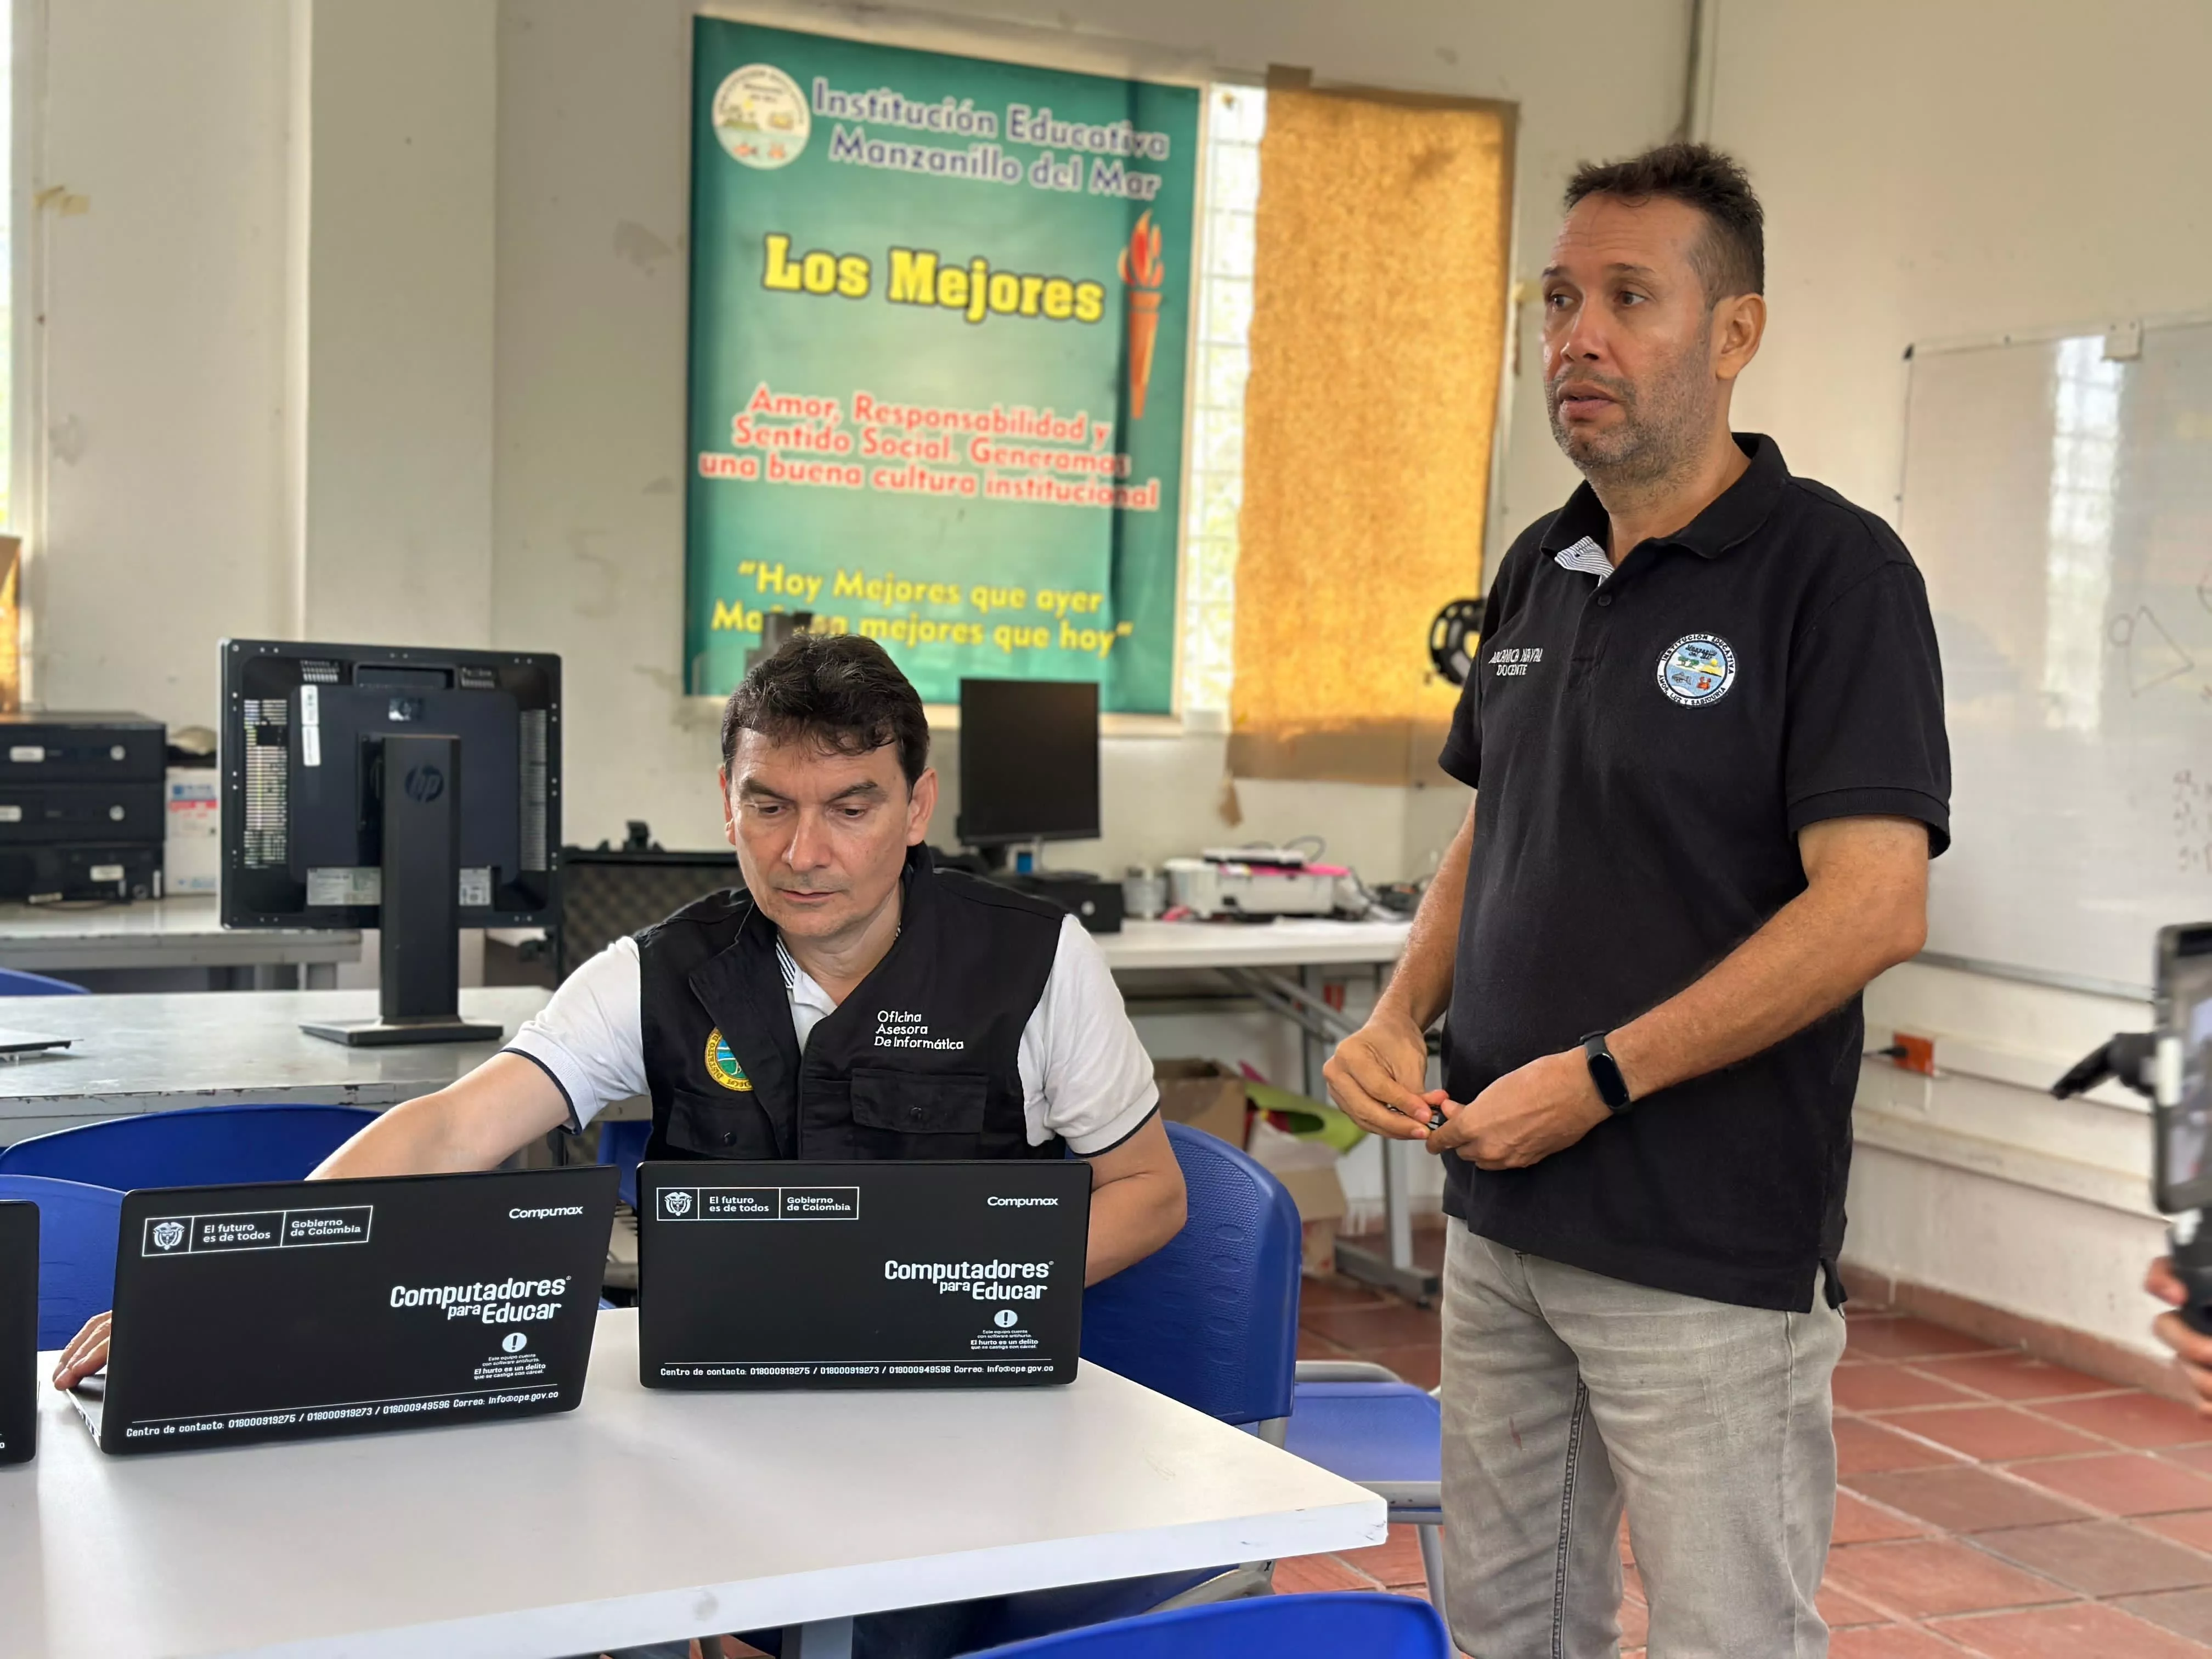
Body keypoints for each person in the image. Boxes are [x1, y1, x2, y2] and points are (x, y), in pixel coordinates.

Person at [52, 634, 1184, 1657]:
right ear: (727, 803)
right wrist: (229, 1294)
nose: (804, 852)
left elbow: (1149, 1192)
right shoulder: (661, 970)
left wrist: (939, 1297)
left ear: (917, 805)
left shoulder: (1035, 961)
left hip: (950, 1432)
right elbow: (456, 1125)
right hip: (709, 1424)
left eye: (851, 808)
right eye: (770, 806)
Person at [1325, 143, 1950, 1659]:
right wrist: (1402, 1014)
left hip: (1702, 1246)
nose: (1577, 339)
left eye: (1627, 298)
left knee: (1727, 1635)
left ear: (1734, 333)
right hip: (1501, 1210)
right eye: (1557, 300)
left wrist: (1599, 1080)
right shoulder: (1541, 562)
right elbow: (1498, 821)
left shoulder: (1836, 575)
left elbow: (1873, 906)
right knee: (1507, 1627)